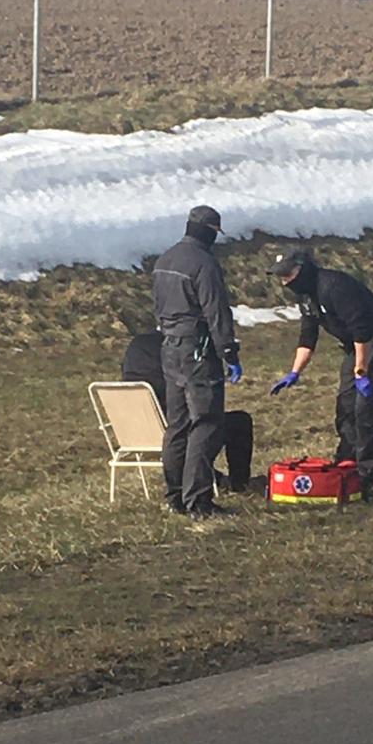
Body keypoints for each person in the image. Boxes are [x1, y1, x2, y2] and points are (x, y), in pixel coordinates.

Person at [268, 247, 373, 503]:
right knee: (345, 407)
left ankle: (366, 476)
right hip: (355, 347)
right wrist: (294, 372)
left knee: (365, 410)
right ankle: (346, 467)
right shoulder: (305, 296)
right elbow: (308, 335)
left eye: (288, 273)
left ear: (303, 267)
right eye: (281, 276)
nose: (284, 280)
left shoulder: (334, 286)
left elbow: (361, 329)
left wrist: (361, 371)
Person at [152, 204, 243, 519]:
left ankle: (174, 496)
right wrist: (228, 352)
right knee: (206, 423)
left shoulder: (164, 260)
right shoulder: (204, 264)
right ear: (211, 232)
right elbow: (217, 312)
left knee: (177, 424)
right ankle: (199, 502)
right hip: (197, 351)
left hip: (169, 348)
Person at [121, 328, 254, 493]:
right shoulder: (175, 347)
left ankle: (211, 477)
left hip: (133, 432)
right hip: (174, 430)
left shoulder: (136, 345)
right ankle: (239, 484)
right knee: (239, 421)